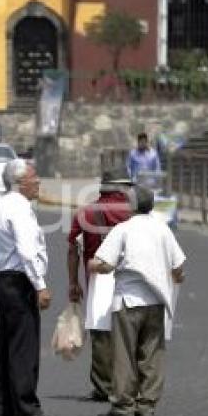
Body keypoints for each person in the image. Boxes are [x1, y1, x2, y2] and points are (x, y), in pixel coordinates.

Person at [88, 185, 186, 416]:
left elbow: (106, 264)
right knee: (152, 355)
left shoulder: (123, 229)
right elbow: (178, 267)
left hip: (128, 300)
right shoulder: (163, 229)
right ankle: (147, 406)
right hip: (156, 301)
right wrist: (172, 279)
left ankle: (123, 406)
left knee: (124, 355)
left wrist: (93, 265)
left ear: (131, 206)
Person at [0, 159, 55, 416]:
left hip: (5, 282)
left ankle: (4, 406)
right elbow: (27, 251)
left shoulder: (2, 205)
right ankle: (26, 407)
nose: (38, 181)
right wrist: (41, 285)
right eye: (33, 176)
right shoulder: (19, 209)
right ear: (19, 183)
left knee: (5, 347)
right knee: (24, 348)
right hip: (19, 282)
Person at [67, 168, 133, 402]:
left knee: (101, 333)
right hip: (131, 279)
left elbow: (73, 250)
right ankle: (129, 385)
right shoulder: (134, 214)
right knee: (129, 333)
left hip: (98, 277)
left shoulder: (85, 213)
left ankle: (104, 386)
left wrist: (73, 283)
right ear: (123, 188)